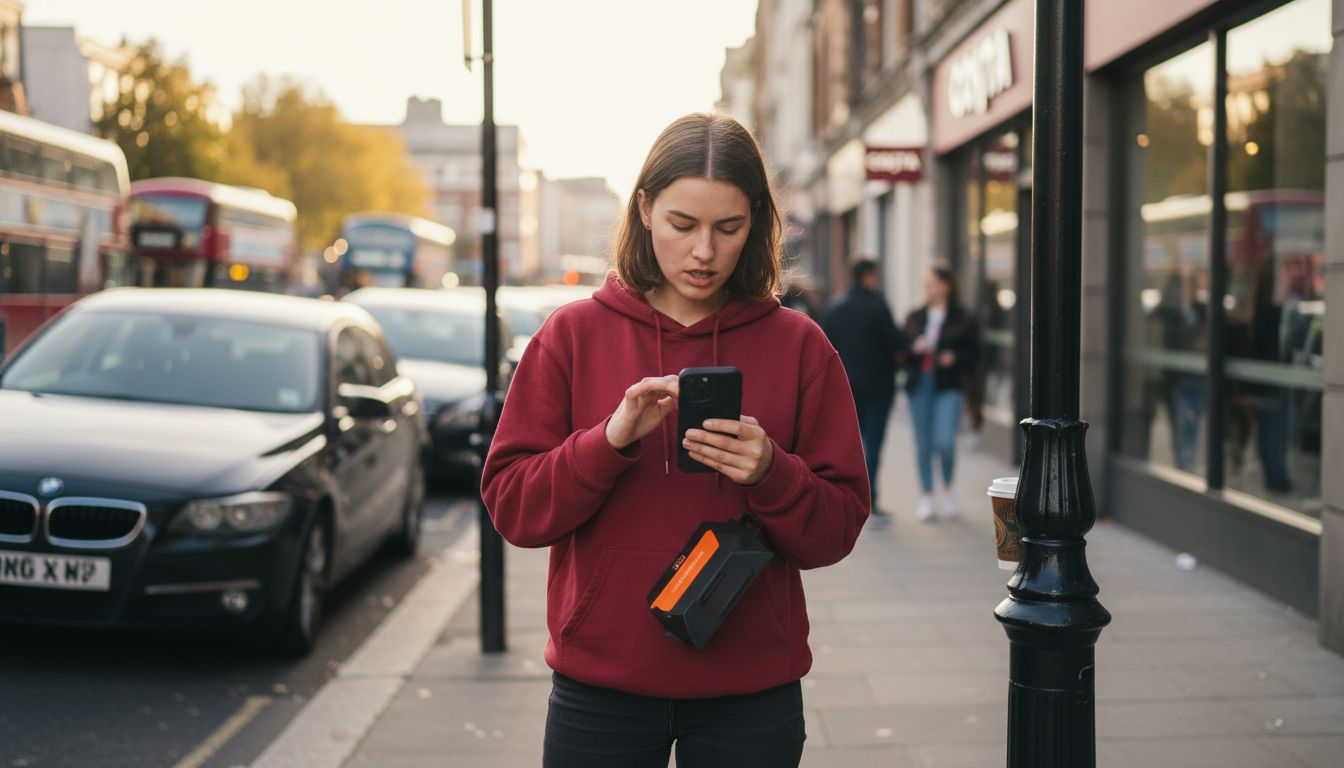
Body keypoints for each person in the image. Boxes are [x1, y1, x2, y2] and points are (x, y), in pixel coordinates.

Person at [481, 113, 869, 768]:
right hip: (600, 688)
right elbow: (513, 509)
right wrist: (606, 441)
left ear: (758, 222)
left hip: (751, 692)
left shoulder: (801, 347)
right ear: (644, 210)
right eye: (682, 225)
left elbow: (836, 530)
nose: (704, 253)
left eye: (729, 228)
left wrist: (772, 471)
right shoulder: (571, 336)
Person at [820, 258, 904, 518]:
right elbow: (895, 344)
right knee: (873, 447)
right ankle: (870, 500)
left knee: (848, 447)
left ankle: (848, 501)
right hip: (878, 387)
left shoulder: (834, 307)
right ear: (868, 276)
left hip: (845, 389)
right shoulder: (877, 305)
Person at [904, 264, 979, 521]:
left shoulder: (963, 317)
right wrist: (914, 347)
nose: (927, 289)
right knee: (923, 443)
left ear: (945, 286)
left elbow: (976, 353)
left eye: (931, 284)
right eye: (925, 285)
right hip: (919, 384)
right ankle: (927, 497)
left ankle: (947, 489)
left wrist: (954, 357)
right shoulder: (915, 316)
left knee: (945, 442)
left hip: (948, 385)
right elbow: (901, 351)